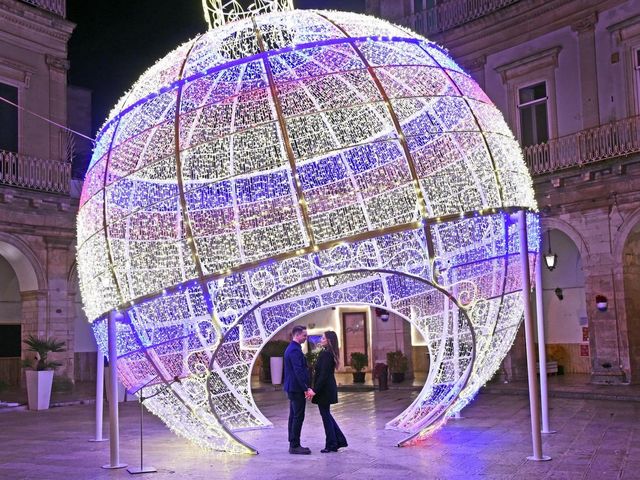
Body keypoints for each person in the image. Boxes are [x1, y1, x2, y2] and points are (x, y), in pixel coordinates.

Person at [311, 330, 348, 453]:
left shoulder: (326, 355)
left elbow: (323, 375)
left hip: (324, 390)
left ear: (329, 340)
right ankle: (338, 440)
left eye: (323, 338)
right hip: (326, 388)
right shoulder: (328, 353)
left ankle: (332, 443)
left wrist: (315, 390)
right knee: (326, 415)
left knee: (326, 416)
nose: (321, 340)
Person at [283, 325, 314, 454]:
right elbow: (298, 371)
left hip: (292, 387)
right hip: (296, 388)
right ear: (296, 335)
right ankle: (295, 445)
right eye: (304, 335)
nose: (306, 338)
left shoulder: (292, 348)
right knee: (298, 416)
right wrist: (305, 388)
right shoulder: (294, 350)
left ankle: (293, 442)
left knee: (293, 415)